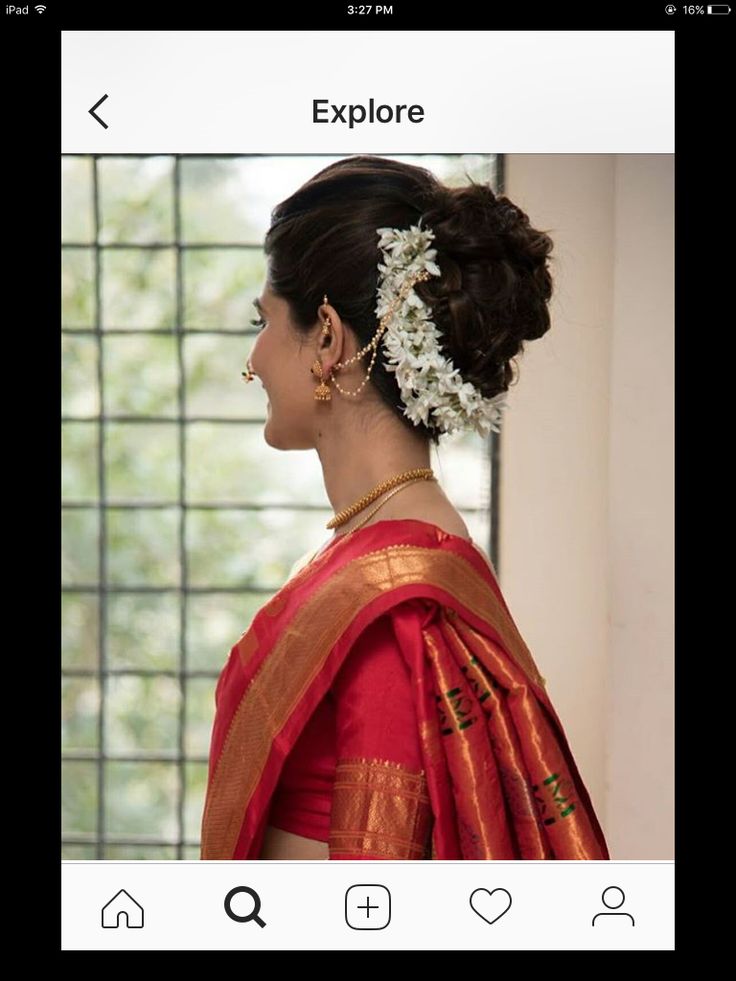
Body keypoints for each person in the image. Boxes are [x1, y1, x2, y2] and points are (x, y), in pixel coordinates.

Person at [199, 155, 610, 861]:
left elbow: (375, 885)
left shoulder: (396, 610)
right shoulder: (380, 557)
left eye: (262, 320)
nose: (254, 358)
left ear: (327, 337)